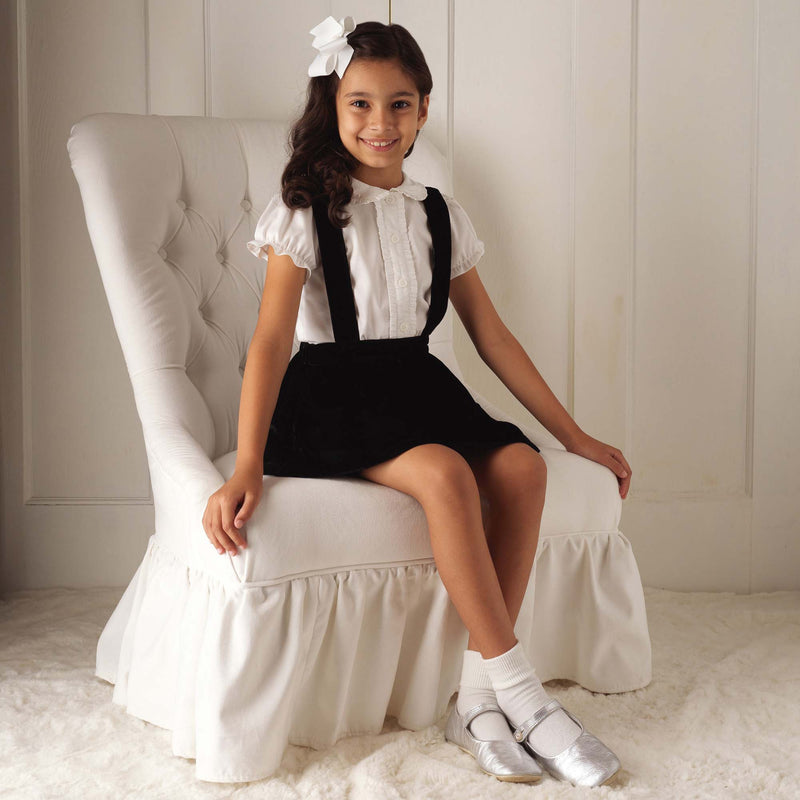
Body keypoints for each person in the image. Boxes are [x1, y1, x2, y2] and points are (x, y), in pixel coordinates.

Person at [202, 15, 632, 788]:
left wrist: (574, 436)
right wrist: (248, 464)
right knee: (444, 473)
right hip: (331, 395)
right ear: (334, 109)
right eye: (360, 104)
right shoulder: (303, 210)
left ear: (424, 109)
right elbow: (268, 342)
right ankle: (526, 697)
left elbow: (493, 337)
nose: (381, 122)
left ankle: (475, 700)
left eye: (399, 104)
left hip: (417, 385)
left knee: (524, 469)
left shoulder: (439, 213)